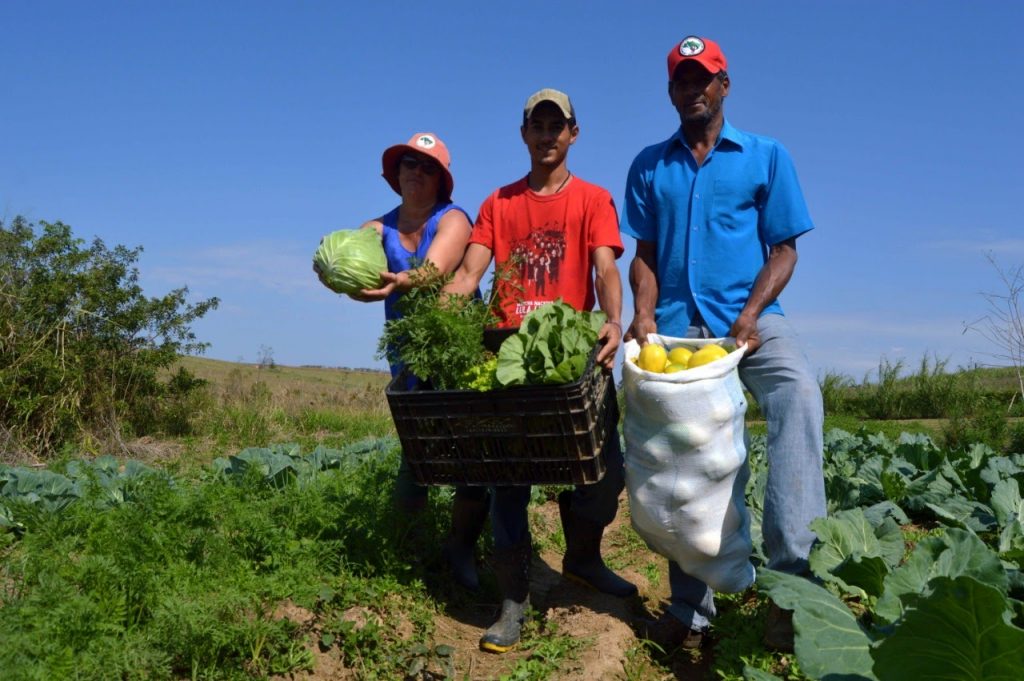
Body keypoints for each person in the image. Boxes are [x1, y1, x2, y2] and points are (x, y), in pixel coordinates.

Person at [620, 36, 826, 652]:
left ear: (724, 85)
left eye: (703, 78)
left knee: (799, 396)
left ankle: (791, 590)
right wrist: (643, 314)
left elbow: (784, 250)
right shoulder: (650, 165)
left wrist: (751, 315)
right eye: (682, 81)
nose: (693, 89)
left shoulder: (765, 155)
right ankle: (691, 610)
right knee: (679, 450)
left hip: (752, 320)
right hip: (677, 328)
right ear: (670, 92)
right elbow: (644, 255)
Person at [445, 89, 638, 654]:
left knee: (603, 476)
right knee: (508, 480)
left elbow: (605, 268)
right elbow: (470, 272)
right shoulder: (499, 203)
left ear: (573, 134)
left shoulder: (594, 200)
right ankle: (513, 597)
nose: (547, 134)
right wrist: (444, 315)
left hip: (572, 359)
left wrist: (614, 319)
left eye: (558, 125)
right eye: (538, 125)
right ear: (524, 134)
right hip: (510, 361)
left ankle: (583, 558)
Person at [320, 132, 490, 590]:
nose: (417, 172)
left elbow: (434, 269)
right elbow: (357, 268)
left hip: (458, 349)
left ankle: (461, 551)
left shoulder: (453, 219)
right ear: (395, 174)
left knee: (471, 453)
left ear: (441, 180)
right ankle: (406, 550)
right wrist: (335, 274)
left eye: (427, 166)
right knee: (416, 452)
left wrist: (400, 281)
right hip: (409, 353)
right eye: (409, 164)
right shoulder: (377, 228)